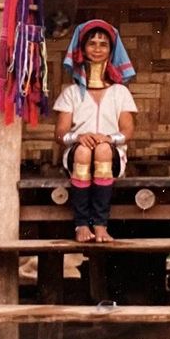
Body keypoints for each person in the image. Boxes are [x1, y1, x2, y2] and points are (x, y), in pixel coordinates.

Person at [53, 19, 137, 243]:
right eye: (92, 43)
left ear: (111, 50)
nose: (98, 48)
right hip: (76, 155)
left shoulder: (120, 92)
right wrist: (78, 137)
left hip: (111, 156)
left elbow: (128, 131)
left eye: (103, 44)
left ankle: (100, 225)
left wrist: (108, 138)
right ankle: (81, 224)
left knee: (102, 150)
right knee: (82, 151)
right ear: (82, 50)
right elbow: (60, 133)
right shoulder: (71, 92)